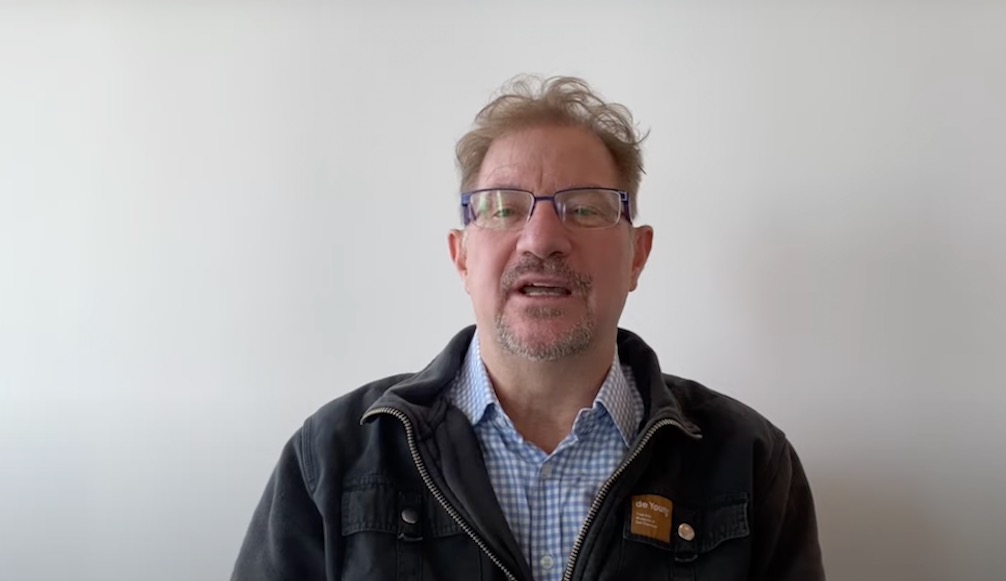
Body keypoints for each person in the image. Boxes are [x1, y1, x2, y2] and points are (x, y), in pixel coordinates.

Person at [231, 75, 825, 581]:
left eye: (585, 208)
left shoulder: (749, 463)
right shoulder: (332, 458)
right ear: (462, 257)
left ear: (637, 256)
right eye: (504, 209)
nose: (541, 239)